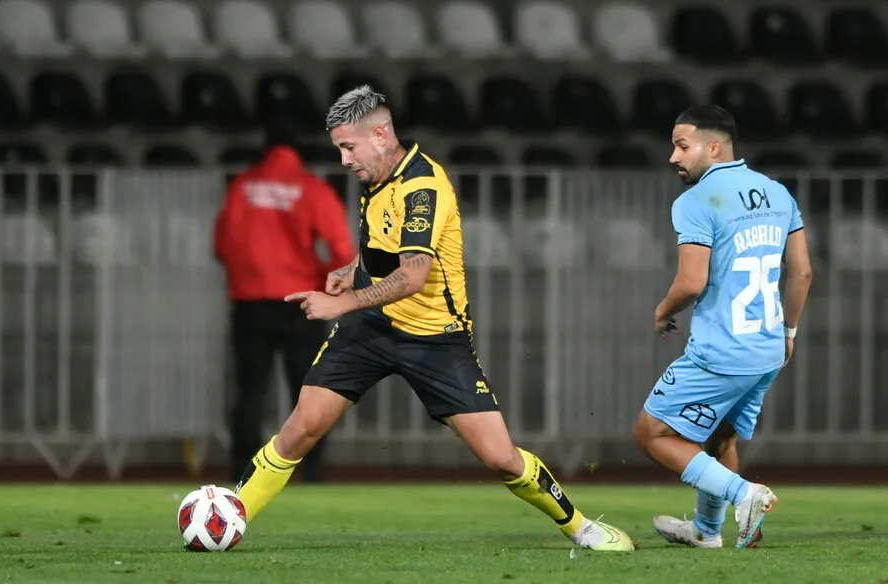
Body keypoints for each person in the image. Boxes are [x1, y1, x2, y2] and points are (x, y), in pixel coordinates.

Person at [233, 85, 634, 552]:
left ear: (380, 135)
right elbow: (385, 248)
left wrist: (343, 302)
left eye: (347, 147)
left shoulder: (424, 185)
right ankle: (229, 517)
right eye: (338, 149)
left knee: (501, 459)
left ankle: (583, 528)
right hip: (371, 329)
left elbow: (414, 275)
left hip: (436, 339)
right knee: (299, 430)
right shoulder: (375, 178)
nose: (343, 160)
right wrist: (352, 271)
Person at [632, 105, 813, 549]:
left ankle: (743, 494)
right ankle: (707, 531)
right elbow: (803, 273)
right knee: (720, 434)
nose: (673, 157)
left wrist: (662, 310)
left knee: (652, 433)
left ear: (714, 147)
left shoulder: (697, 200)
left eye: (682, 145)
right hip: (768, 347)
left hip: (723, 351)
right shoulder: (776, 192)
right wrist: (789, 332)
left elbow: (691, 283)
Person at [215, 122, 356, 483]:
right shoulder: (312, 190)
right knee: (310, 393)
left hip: (250, 303)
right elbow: (341, 251)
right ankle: (311, 471)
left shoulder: (242, 187)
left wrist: (250, 276)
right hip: (301, 303)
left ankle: (242, 473)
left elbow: (221, 246)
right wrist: (326, 278)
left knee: (251, 391)